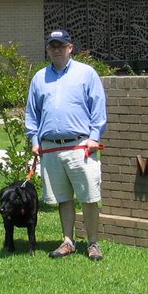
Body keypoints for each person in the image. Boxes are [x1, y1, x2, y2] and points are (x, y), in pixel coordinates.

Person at [25, 29, 108, 260]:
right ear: (48, 49)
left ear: (70, 47)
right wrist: (34, 139)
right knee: (63, 198)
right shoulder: (39, 78)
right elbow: (32, 113)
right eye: (53, 46)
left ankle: (93, 243)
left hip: (80, 146)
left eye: (61, 45)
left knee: (89, 197)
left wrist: (94, 137)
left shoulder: (86, 74)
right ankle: (68, 241)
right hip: (51, 147)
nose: (57, 50)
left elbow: (98, 109)